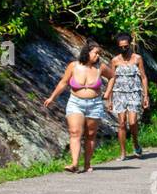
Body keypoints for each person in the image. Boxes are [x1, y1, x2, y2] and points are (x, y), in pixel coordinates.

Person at [43, 40, 114, 173]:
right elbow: (63, 82)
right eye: (96, 53)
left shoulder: (101, 68)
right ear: (87, 52)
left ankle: (87, 164)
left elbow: (112, 77)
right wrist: (52, 97)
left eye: (99, 54)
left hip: (95, 104)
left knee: (90, 135)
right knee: (75, 132)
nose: (98, 56)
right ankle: (74, 164)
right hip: (75, 103)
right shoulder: (73, 66)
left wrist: (108, 92)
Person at [105, 33, 149, 160]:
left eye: (126, 46)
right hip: (119, 93)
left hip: (134, 93)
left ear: (130, 45)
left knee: (133, 122)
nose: (123, 49)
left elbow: (144, 77)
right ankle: (123, 152)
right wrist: (109, 99)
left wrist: (145, 96)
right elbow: (112, 79)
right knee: (122, 123)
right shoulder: (115, 60)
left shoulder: (137, 58)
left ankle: (135, 143)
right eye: (121, 47)